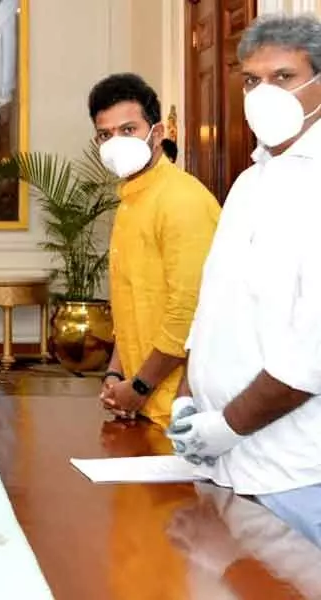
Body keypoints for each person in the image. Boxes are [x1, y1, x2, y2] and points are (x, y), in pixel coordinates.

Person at [168, 13, 321, 548]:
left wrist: (227, 425)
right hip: (231, 466)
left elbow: (312, 349)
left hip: (297, 472)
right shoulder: (248, 182)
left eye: (282, 77)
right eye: (251, 81)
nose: (262, 94)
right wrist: (188, 400)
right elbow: (213, 309)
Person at [88, 73, 221, 428]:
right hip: (141, 404)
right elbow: (130, 305)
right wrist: (117, 376)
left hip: (179, 408)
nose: (116, 141)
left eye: (128, 130)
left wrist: (142, 384)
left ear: (157, 133)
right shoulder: (131, 201)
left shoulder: (182, 200)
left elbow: (187, 313)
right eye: (105, 134)